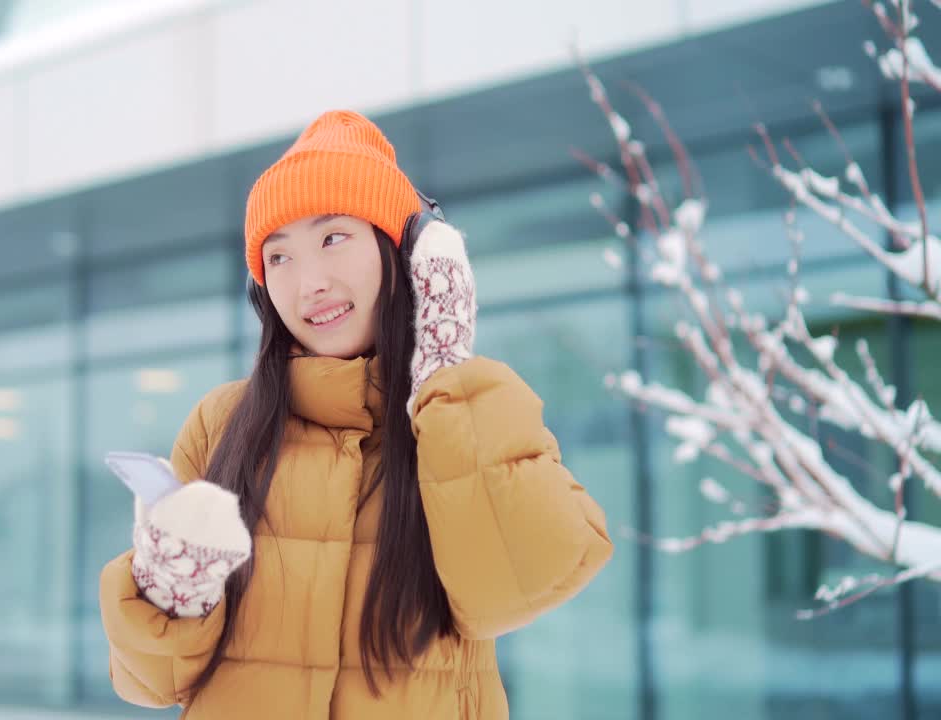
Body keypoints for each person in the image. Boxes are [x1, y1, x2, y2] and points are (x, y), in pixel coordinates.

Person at [99, 109, 613, 719]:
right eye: (279, 257)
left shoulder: (464, 413)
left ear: (405, 254)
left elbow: (515, 587)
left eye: (332, 237)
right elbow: (153, 681)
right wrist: (174, 580)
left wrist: (442, 372)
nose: (308, 281)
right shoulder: (224, 423)